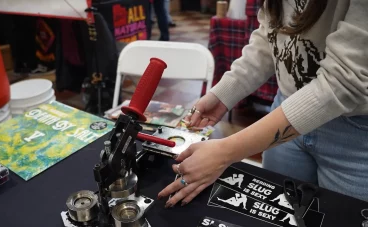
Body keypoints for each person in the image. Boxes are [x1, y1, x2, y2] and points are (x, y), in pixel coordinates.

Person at [158, 0, 368, 206]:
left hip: (355, 133)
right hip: (285, 110)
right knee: (275, 220)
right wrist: (223, 95)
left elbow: (343, 83)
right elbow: (269, 41)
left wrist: (225, 152)